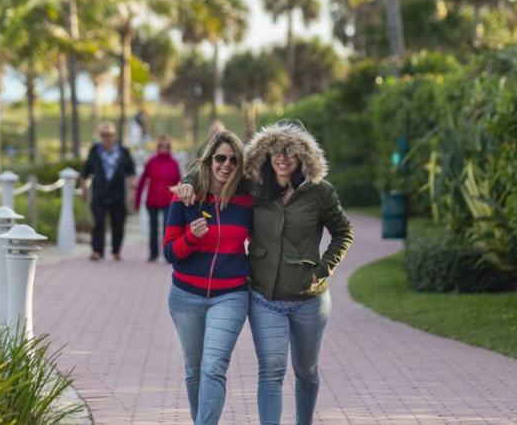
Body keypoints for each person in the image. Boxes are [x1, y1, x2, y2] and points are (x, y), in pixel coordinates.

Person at [178, 119, 353, 425]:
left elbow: (343, 231)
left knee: (306, 371)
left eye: (290, 151)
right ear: (267, 155)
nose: (282, 157)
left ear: (302, 156)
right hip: (264, 298)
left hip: (309, 299)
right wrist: (191, 179)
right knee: (271, 372)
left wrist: (324, 268)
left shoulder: (320, 192)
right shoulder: (255, 187)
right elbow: (219, 169)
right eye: (275, 151)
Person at [163, 130, 252, 425]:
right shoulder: (186, 199)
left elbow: (265, 239)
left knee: (213, 366)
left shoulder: (246, 200)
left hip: (231, 295)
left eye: (233, 159)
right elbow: (169, 252)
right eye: (220, 158)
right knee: (195, 368)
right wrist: (190, 237)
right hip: (185, 296)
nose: (226, 164)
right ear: (209, 159)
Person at [81, 121, 136, 261]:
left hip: (117, 193)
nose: (108, 138)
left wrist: (132, 190)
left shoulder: (123, 151)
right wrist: (84, 190)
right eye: (105, 135)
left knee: (118, 223)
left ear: (115, 135)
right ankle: (97, 251)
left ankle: (116, 250)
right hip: (99, 192)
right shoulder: (94, 151)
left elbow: (131, 172)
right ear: (101, 136)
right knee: (98, 222)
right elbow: (85, 172)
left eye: (111, 134)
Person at [134, 134, 182, 262]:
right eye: (161, 146)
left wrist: (182, 201)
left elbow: (180, 182)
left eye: (166, 146)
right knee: (153, 228)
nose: (164, 148)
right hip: (152, 201)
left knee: (168, 229)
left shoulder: (174, 163)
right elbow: (143, 181)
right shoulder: (151, 162)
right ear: (158, 147)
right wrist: (137, 200)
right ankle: (153, 253)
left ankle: (167, 254)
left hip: (169, 201)